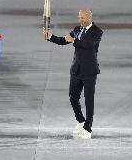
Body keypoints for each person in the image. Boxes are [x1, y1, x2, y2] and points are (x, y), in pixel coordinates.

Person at [42, 8, 103, 139]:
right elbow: (64, 40)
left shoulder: (97, 32)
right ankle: (80, 120)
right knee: (73, 97)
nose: (80, 20)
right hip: (76, 70)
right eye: (79, 17)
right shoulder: (77, 29)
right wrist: (50, 36)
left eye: (83, 18)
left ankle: (88, 127)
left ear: (89, 17)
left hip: (89, 71)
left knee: (89, 99)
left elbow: (89, 44)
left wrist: (74, 41)